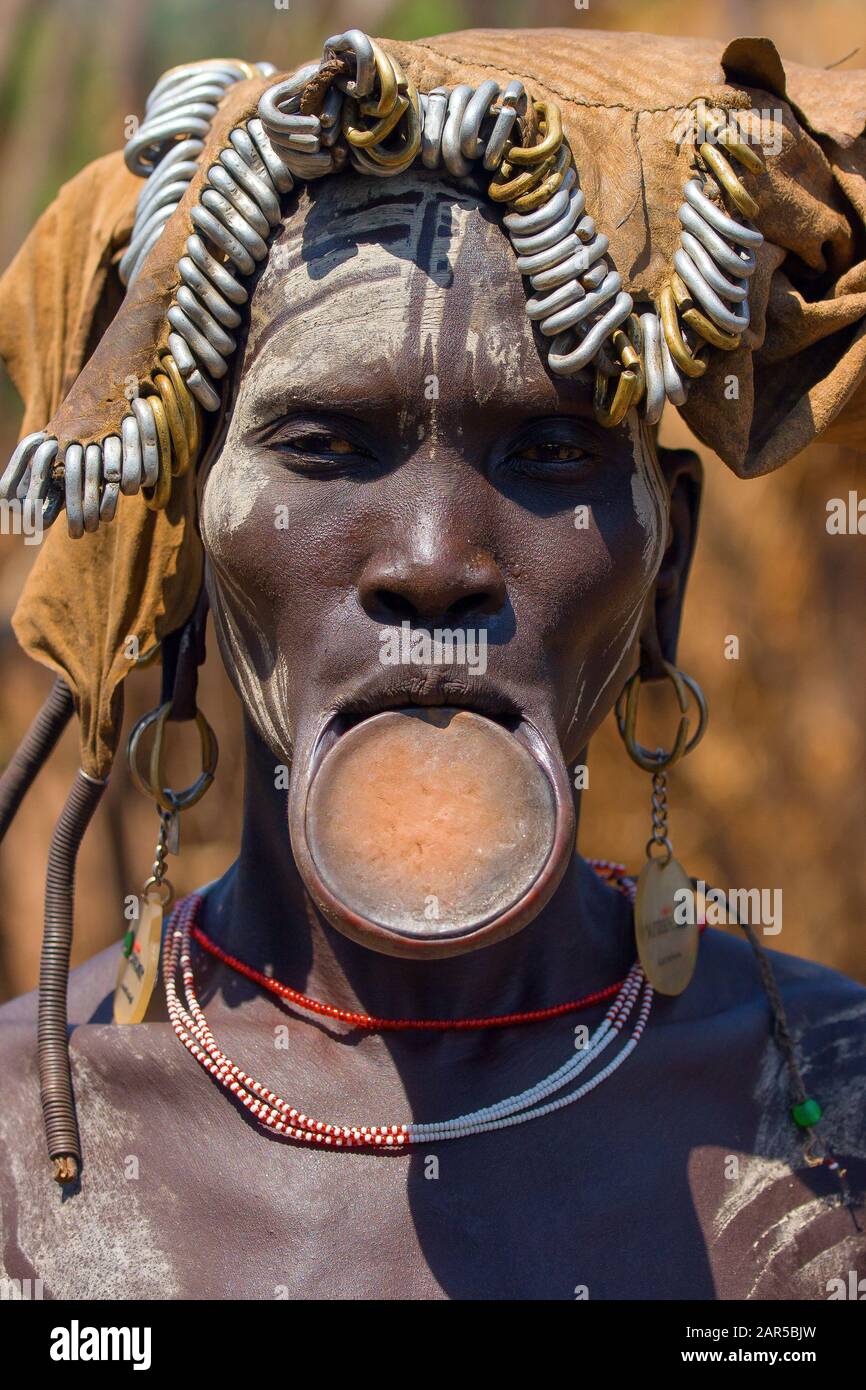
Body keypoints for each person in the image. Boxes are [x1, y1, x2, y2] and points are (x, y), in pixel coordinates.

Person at [0, 27, 863, 1300]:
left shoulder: (824, 1118)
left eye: (550, 453)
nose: (431, 558)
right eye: (326, 444)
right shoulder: (27, 1151)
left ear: (663, 563)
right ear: (181, 543)